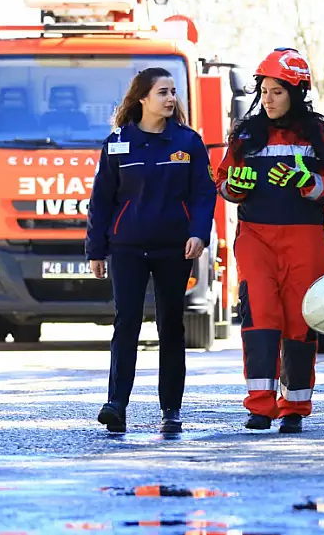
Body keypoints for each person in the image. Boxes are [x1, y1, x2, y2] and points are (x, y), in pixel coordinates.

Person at [215, 48, 324, 434]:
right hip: (256, 237)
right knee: (261, 317)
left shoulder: (321, 136)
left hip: (304, 238)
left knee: (300, 323)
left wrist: (308, 183)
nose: (268, 99)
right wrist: (233, 189)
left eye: (277, 91)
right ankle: (259, 406)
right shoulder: (246, 134)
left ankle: (294, 407)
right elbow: (223, 179)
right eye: (264, 91)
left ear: (297, 92)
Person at [85, 67, 217, 434]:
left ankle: (171, 410)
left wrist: (199, 234)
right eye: (163, 92)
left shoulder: (188, 143)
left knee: (170, 327)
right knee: (125, 323)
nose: (171, 98)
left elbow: (204, 194)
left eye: (173, 92)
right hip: (127, 248)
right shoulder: (117, 143)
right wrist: (96, 250)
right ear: (142, 98)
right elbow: (102, 200)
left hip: (175, 248)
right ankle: (116, 405)